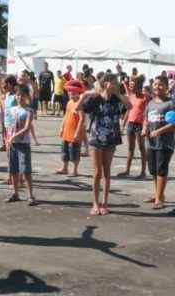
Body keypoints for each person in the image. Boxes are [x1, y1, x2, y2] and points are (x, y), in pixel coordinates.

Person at [77, 73, 131, 216]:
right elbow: (79, 108)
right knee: (96, 173)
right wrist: (87, 94)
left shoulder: (116, 98)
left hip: (111, 138)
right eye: (113, 82)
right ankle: (95, 203)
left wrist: (118, 93)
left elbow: (129, 105)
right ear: (106, 82)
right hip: (95, 138)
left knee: (107, 172)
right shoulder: (96, 98)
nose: (115, 84)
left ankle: (105, 203)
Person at [142, 76, 175, 210]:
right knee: (153, 170)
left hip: (164, 143)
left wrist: (159, 131)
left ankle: (159, 198)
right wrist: (145, 128)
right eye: (155, 84)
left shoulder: (170, 103)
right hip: (150, 142)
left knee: (161, 170)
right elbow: (146, 118)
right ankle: (158, 194)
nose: (157, 87)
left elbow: (174, 123)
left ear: (167, 87)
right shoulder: (150, 103)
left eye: (161, 85)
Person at [5, 86, 37, 205]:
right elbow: (8, 126)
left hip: (23, 144)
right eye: (18, 95)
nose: (20, 97)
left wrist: (14, 136)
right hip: (12, 143)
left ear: (27, 97)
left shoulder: (29, 111)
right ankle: (15, 193)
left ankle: (30, 195)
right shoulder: (12, 110)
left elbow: (27, 127)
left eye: (23, 95)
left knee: (26, 170)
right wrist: (8, 139)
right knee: (13, 170)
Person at [118, 77, 148, 178]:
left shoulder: (145, 97)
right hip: (130, 124)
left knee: (141, 148)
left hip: (140, 125)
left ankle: (143, 172)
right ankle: (127, 170)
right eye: (130, 85)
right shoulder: (131, 96)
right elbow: (128, 110)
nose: (130, 87)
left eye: (132, 86)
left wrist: (145, 127)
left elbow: (147, 114)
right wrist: (123, 124)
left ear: (139, 86)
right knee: (130, 148)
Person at [56, 80, 85, 177]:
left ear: (78, 93)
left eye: (73, 92)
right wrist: (61, 127)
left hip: (75, 133)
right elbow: (66, 116)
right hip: (67, 132)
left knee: (74, 152)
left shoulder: (80, 104)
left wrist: (77, 132)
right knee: (65, 151)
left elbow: (82, 119)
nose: (71, 93)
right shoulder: (69, 102)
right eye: (69, 91)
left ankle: (75, 170)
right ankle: (65, 168)